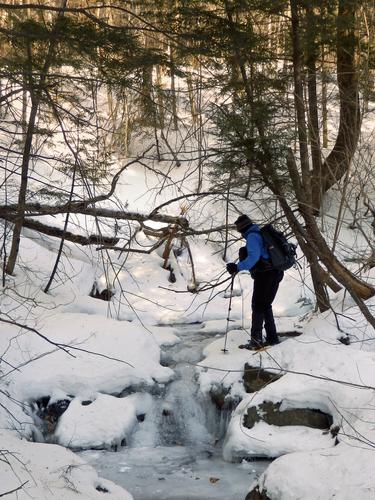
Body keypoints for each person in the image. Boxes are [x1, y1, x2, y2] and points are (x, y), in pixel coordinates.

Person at [226, 214, 283, 350]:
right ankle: (272, 338)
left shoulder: (252, 237)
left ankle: (256, 341)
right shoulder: (259, 233)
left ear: (242, 229)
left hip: (265, 275)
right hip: (276, 272)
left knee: (257, 306)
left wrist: (237, 267)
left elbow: (253, 257)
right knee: (265, 305)